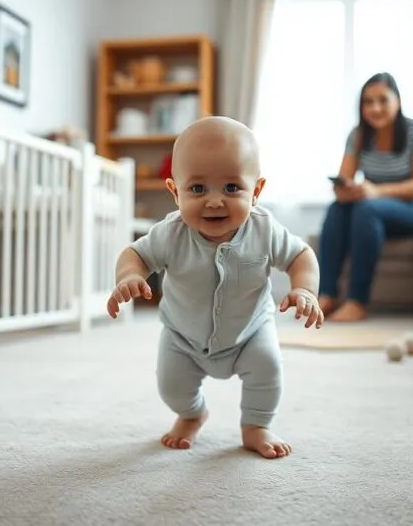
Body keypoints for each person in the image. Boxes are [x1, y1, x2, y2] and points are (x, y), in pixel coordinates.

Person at [106, 116, 323, 459]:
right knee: (171, 386)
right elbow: (135, 253)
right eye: (197, 189)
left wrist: (305, 290)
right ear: (174, 192)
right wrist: (129, 276)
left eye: (232, 188)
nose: (215, 201)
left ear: (257, 190)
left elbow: (301, 256)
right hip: (183, 336)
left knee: (268, 368)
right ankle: (192, 413)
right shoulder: (170, 233)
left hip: (251, 330)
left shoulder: (264, 229)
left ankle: (256, 425)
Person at [318, 72, 413, 322]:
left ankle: (357, 301)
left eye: (383, 100)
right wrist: (344, 191)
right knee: (336, 209)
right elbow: (345, 179)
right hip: (373, 216)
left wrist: (376, 191)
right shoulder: (358, 136)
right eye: (368, 102)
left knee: (367, 208)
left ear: (397, 101)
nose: (375, 108)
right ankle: (326, 294)